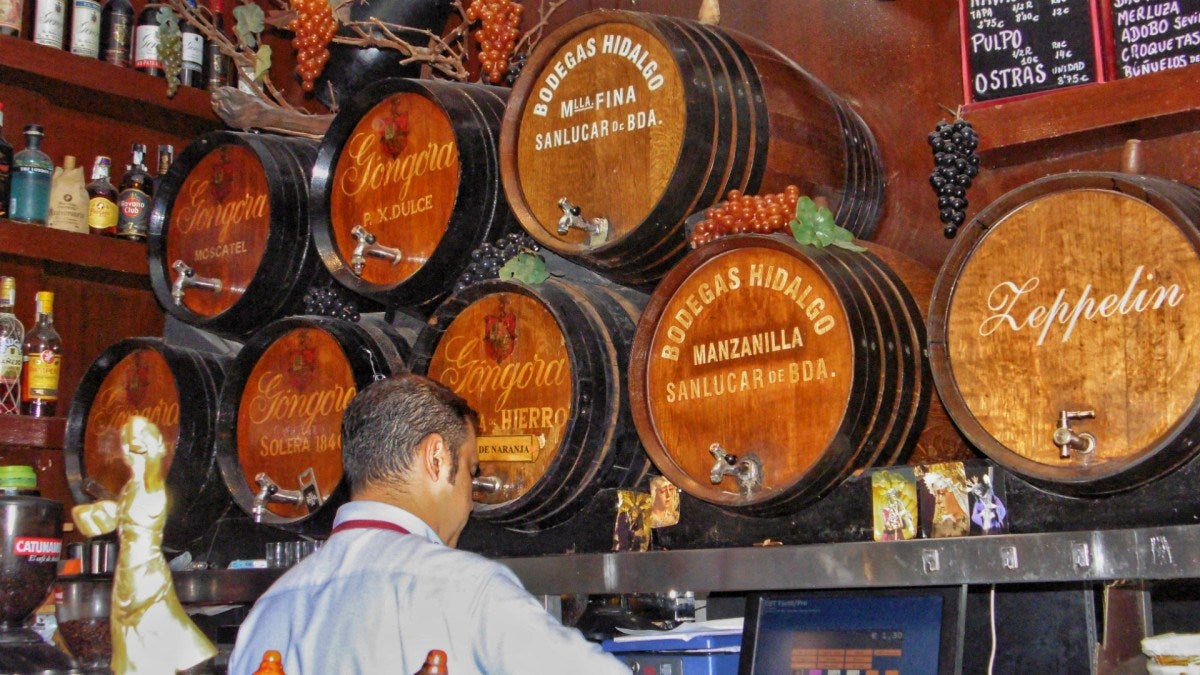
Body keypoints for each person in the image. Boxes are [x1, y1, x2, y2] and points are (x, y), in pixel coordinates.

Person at [229, 374, 628, 674]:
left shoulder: (267, 612)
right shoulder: (465, 590)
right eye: (471, 471)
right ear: (436, 459)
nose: (471, 500)